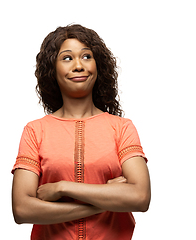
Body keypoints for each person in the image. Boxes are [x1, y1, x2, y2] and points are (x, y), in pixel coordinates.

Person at [11, 24, 151, 240]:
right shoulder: (35, 131)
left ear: (98, 65)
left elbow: (140, 197)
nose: (78, 66)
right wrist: (103, 200)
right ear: (52, 69)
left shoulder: (122, 128)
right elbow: (22, 209)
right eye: (67, 58)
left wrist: (61, 188)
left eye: (86, 56)